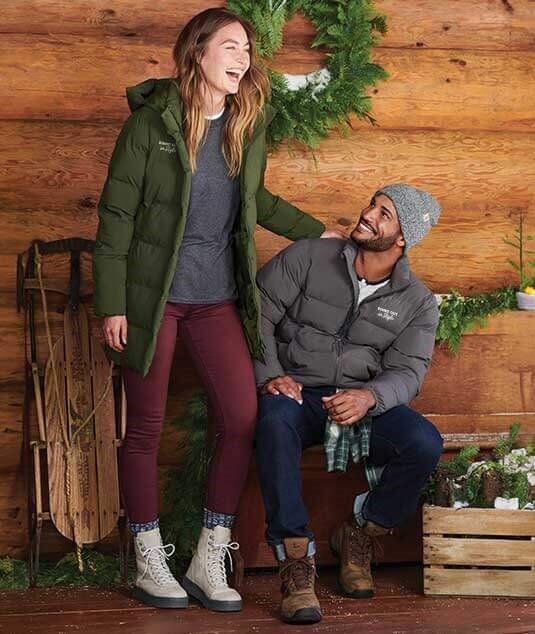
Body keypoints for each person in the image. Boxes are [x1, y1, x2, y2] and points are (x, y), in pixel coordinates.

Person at [92, 7, 341, 613]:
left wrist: (320, 234)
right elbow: (116, 218)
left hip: (215, 300)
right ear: (197, 52)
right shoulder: (150, 125)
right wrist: (114, 304)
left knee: (241, 416)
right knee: (145, 428)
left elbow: (254, 200)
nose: (243, 58)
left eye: (248, 50)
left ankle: (211, 551)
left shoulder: (243, 124)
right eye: (231, 46)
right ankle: (150, 557)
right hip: (153, 301)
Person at [253, 183, 444, 624]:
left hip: (356, 405)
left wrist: (369, 397)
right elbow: (257, 313)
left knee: (423, 442)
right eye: (373, 205)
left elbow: (408, 372)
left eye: (385, 214)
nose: (368, 215)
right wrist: (270, 376)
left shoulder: (416, 303)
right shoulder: (307, 257)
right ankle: (296, 564)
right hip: (296, 393)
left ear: (401, 239)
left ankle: (360, 533)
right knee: (274, 424)